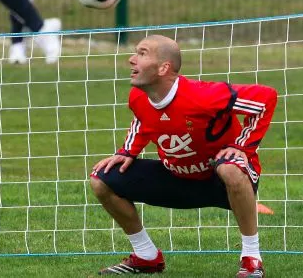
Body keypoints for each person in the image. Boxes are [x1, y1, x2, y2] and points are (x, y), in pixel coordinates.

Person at [90, 35, 278, 277]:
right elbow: (142, 121)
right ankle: (146, 257)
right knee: (101, 178)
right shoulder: (138, 97)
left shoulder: (204, 96)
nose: (131, 59)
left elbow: (265, 98)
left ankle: (251, 258)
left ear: (163, 67)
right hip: (178, 178)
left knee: (229, 168)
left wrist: (242, 146)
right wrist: (128, 151)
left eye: (142, 53)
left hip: (221, 181)